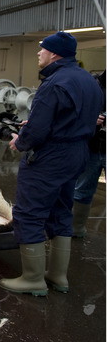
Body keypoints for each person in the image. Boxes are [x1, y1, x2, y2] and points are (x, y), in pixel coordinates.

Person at [0, 32, 102, 296]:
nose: (38, 53)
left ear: (54, 53)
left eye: (41, 49)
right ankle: (58, 276)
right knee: (60, 209)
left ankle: (33, 278)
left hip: (51, 156)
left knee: (29, 212)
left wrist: (20, 141)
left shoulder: (54, 83)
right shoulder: (88, 80)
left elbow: (38, 130)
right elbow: (81, 118)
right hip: (77, 152)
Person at [72, 71, 105, 238]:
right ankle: (76, 230)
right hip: (92, 147)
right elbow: (73, 111)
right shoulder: (92, 83)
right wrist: (91, 118)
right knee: (82, 190)